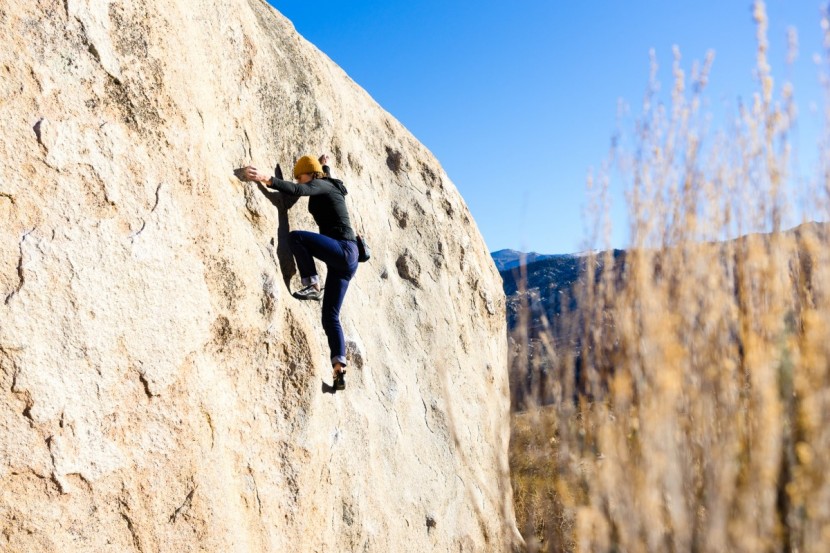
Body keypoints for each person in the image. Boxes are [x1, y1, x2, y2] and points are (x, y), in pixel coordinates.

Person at [241, 155, 359, 391]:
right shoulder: (328, 182)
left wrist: (266, 178)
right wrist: (325, 164)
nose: (298, 179)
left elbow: (297, 189)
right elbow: (320, 177)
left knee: (296, 238)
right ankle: (339, 369)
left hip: (344, 251)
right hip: (346, 261)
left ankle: (313, 284)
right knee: (330, 317)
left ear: (311, 174)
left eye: (301, 175)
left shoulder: (321, 184)